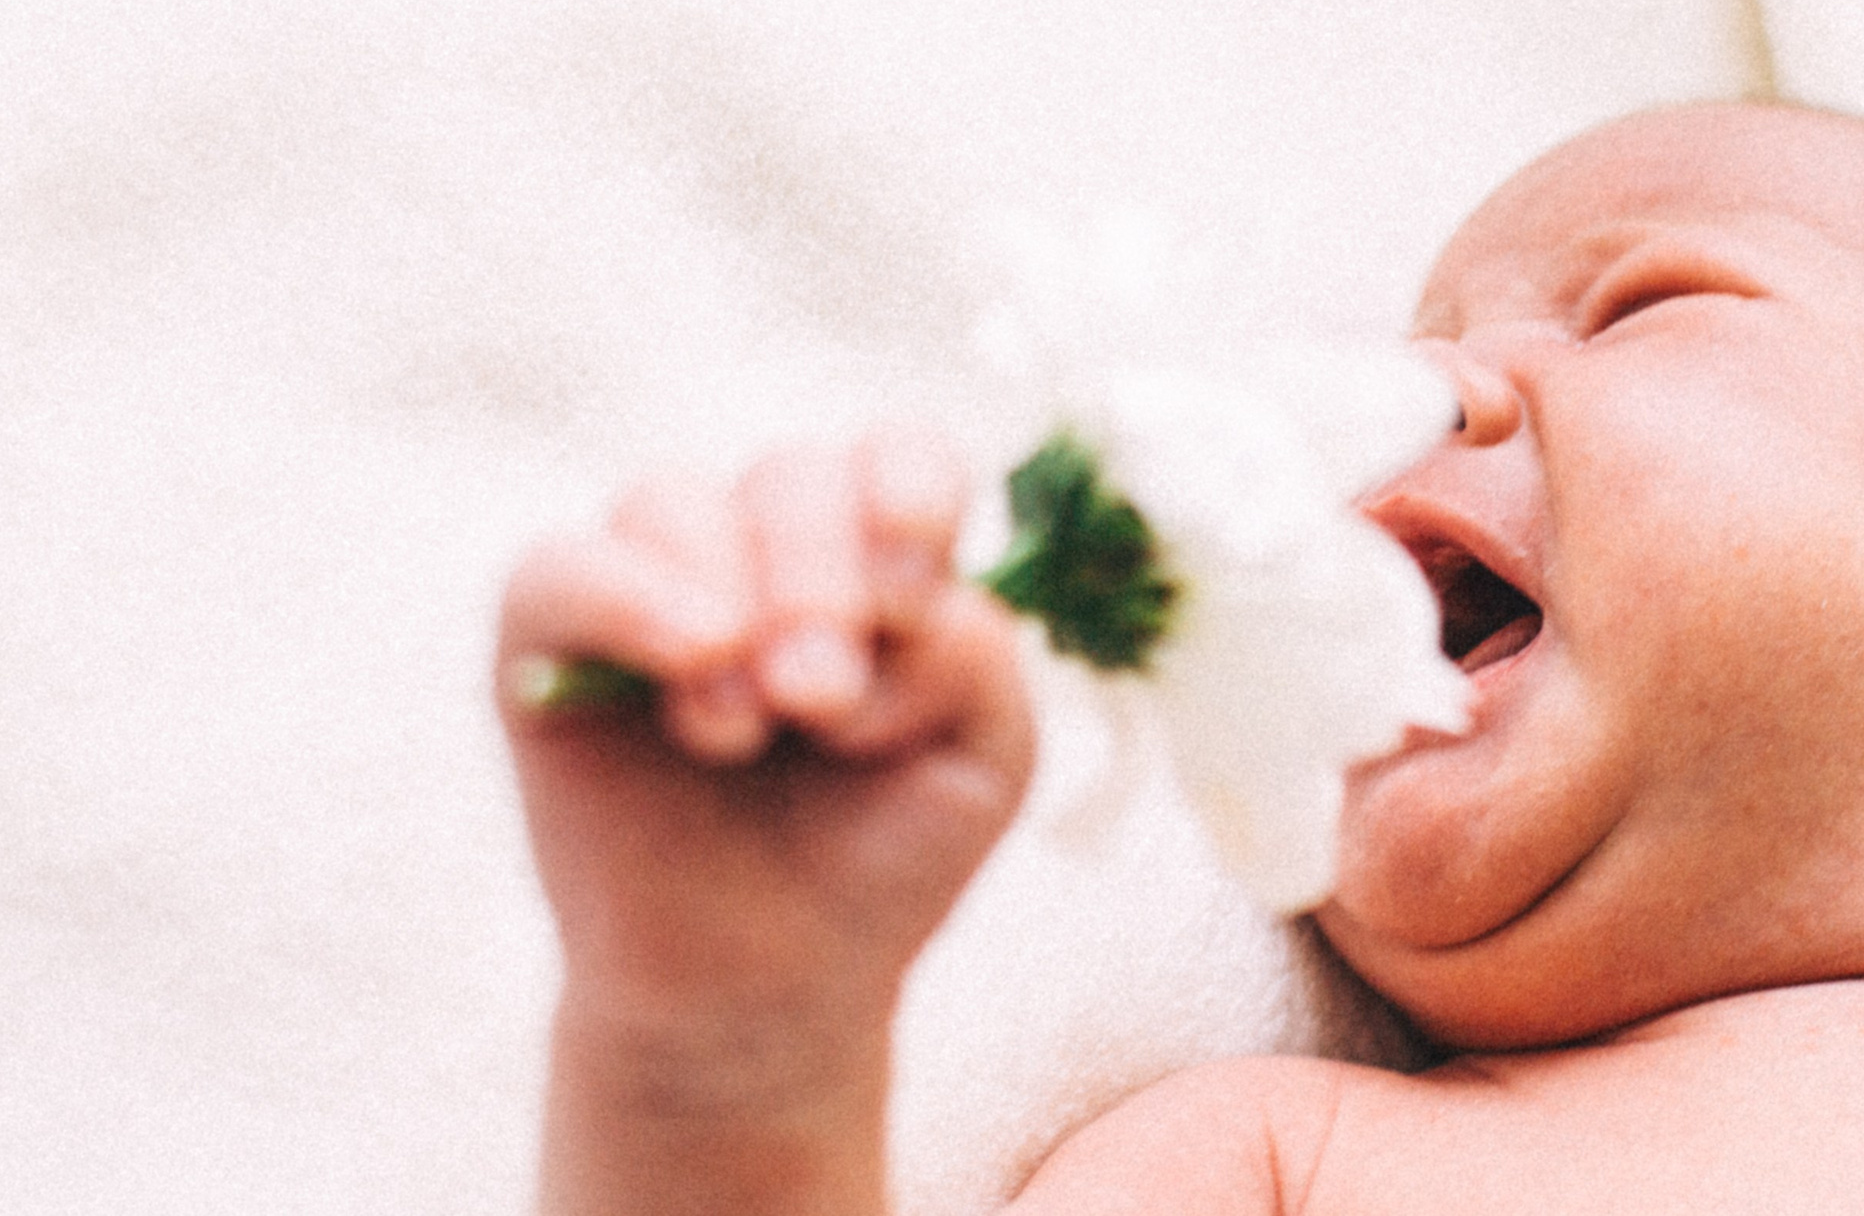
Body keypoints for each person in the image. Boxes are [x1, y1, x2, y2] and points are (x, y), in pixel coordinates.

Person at [493, 100, 1864, 1214]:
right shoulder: (1287, 1163)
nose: (1422, 398)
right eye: (1417, 351)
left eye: (1638, 305)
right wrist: (729, 1065)